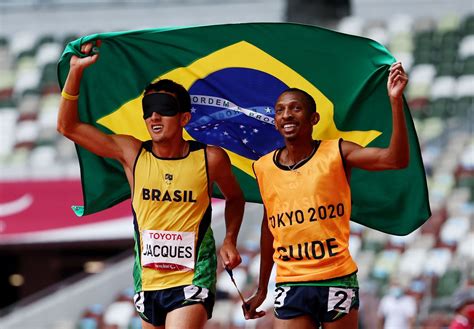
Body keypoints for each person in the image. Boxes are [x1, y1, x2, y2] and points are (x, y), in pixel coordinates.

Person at [57, 41, 245, 329]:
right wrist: (75, 72)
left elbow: (235, 197)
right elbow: (67, 127)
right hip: (148, 279)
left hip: (193, 275)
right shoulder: (132, 154)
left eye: (164, 109)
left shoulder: (210, 158)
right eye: (148, 110)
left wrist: (230, 238)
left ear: (184, 118)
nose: (154, 116)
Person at [243, 62, 409, 329]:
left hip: (336, 277)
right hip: (291, 281)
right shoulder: (263, 167)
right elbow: (269, 228)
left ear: (313, 119)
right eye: (280, 110)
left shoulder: (338, 152)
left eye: (295, 108)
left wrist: (395, 101)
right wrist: (262, 289)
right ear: (275, 121)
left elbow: (396, 159)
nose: (287, 115)